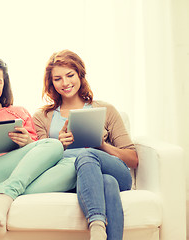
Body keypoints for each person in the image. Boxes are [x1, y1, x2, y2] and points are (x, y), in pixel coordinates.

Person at [0, 55, 76, 227]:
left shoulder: (19, 113)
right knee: (54, 143)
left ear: (4, 84)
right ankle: (6, 191)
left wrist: (27, 143)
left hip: (19, 176)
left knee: (73, 166)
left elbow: (42, 156)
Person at [32, 49, 138, 240]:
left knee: (87, 155)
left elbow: (133, 159)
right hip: (72, 179)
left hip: (115, 170)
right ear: (51, 82)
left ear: (80, 74)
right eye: (57, 79)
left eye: (70, 75)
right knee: (108, 183)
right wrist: (58, 146)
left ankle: (96, 226)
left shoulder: (105, 110)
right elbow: (37, 162)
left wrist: (102, 145)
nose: (65, 83)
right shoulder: (42, 117)